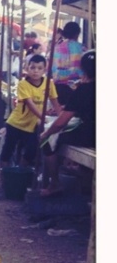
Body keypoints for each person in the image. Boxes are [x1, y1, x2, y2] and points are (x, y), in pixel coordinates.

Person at [39, 51, 95, 196]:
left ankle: (55, 183)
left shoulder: (83, 89)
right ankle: (84, 178)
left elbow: (61, 123)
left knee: (47, 140)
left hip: (90, 135)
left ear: (83, 69)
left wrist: (46, 133)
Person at [0, 53, 60, 168]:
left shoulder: (49, 84)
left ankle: (21, 174)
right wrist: (44, 118)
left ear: (44, 70)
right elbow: (30, 104)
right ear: (27, 69)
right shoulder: (23, 84)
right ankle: (5, 175)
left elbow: (55, 101)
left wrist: (61, 118)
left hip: (32, 125)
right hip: (16, 123)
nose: (35, 71)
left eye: (39, 68)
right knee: (8, 149)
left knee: (31, 152)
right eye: (32, 68)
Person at [52, 21, 85, 105]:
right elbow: (85, 69)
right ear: (77, 33)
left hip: (58, 87)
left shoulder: (56, 47)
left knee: (62, 113)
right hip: (76, 87)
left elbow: (51, 67)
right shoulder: (82, 48)